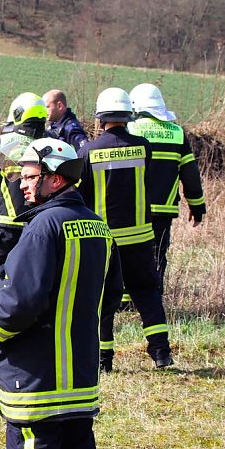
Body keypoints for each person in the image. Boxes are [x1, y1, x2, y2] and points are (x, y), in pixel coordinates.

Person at [0, 137, 121, 449]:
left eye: (29, 176)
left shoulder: (43, 227)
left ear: (55, 179)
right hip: (80, 380)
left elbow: (19, 303)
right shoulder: (99, 227)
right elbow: (110, 299)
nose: (22, 184)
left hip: (36, 383)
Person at [78, 87, 174, 371]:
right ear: (128, 114)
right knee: (147, 292)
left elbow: (81, 197)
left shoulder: (88, 151)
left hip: (104, 240)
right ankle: (161, 353)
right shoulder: (144, 146)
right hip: (141, 237)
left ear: (100, 117)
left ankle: (103, 360)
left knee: (103, 297)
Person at [0, 93, 48, 329]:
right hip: (36, 222)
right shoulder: (47, 144)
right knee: (28, 269)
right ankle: (24, 313)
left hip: (5, 220)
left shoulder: (6, 142)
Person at [128, 83, 206, 293]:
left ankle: (126, 301)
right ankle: (153, 298)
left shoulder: (130, 130)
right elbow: (190, 175)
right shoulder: (177, 134)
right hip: (163, 210)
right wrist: (197, 207)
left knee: (130, 252)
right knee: (156, 255)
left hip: (132, 208)